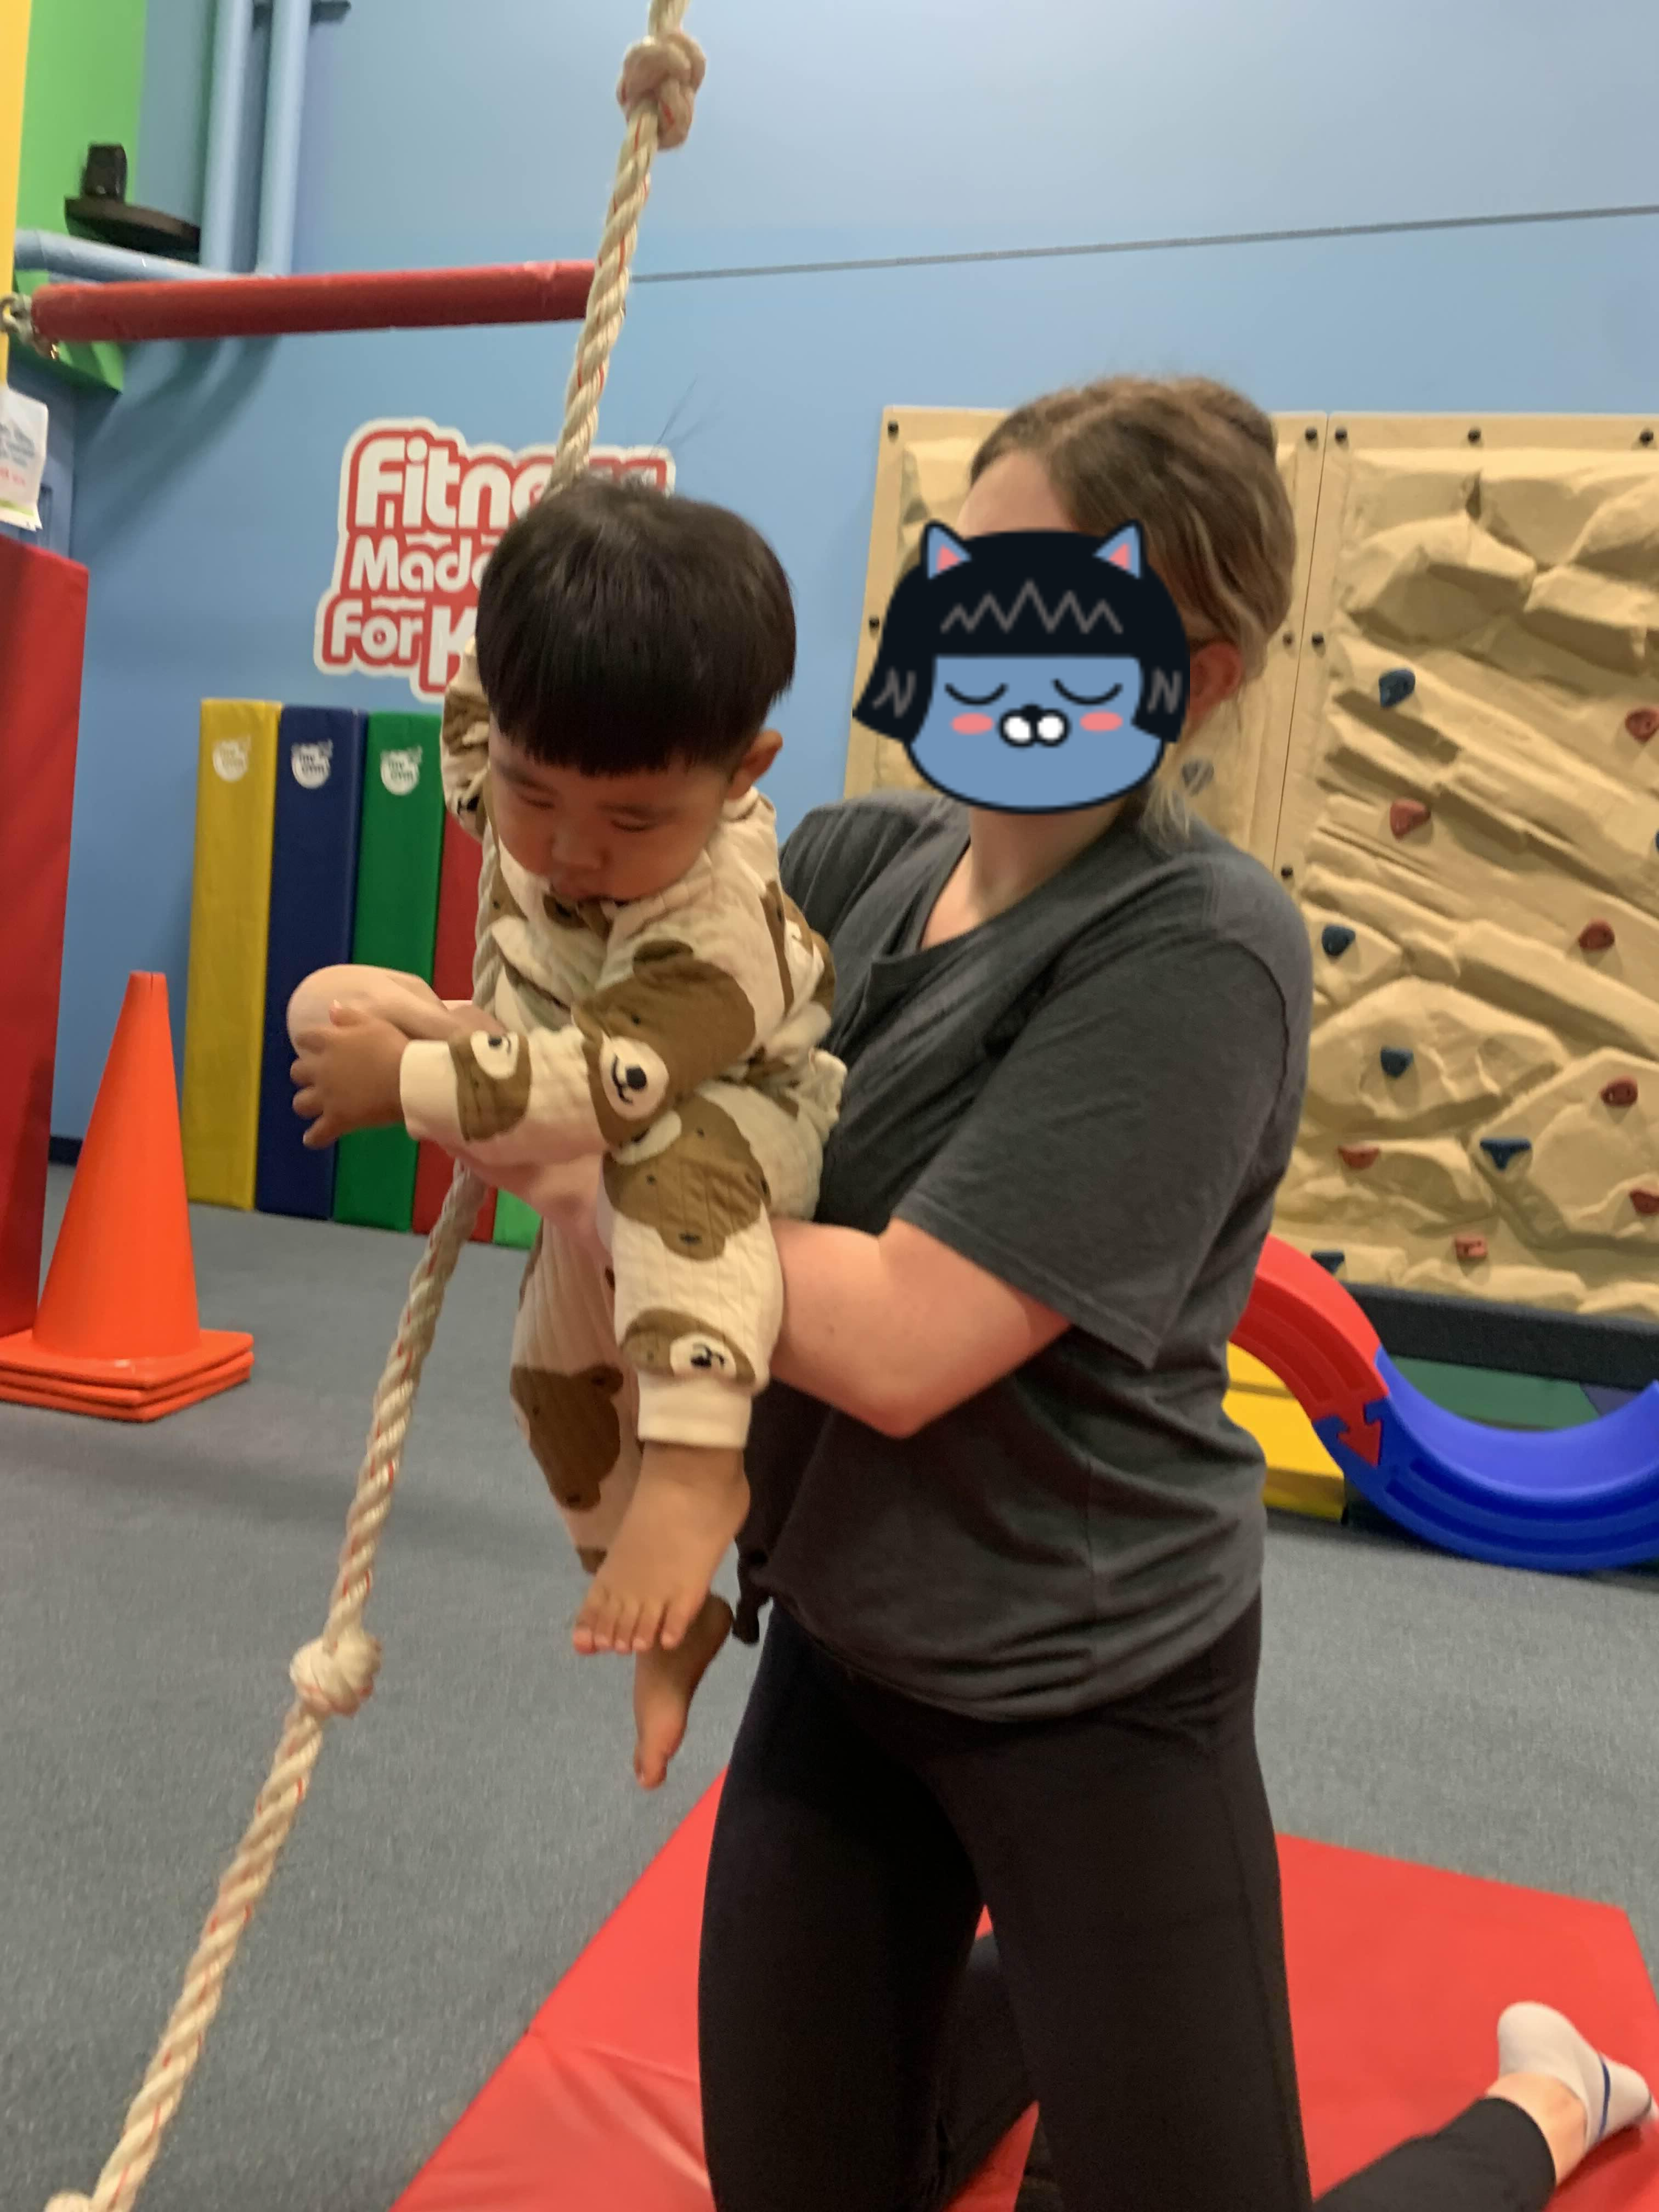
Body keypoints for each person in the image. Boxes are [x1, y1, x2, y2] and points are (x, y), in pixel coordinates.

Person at [540, 375, 1654, 2211]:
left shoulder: (1203, 947)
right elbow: (615, 1021)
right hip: (849, 1641)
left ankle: (1544, 2104)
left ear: (1192, 680)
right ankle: (1057, 2029)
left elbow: (900, 1340)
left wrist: (598, 1177)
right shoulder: (854, 864)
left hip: (1092, 1685)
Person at [288, 476, 844, 1781]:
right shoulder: (525, 775)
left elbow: (606, 1086)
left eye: (631, 822)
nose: (569, 851)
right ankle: (674, 1622)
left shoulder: (717, 919)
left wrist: (409, 1084)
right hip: (565, 1092)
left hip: (723, 1120)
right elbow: (480, 708)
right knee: (554, 1391)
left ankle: (699, 1470)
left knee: (667, 1160)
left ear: (743, 774)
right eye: (534, 799)